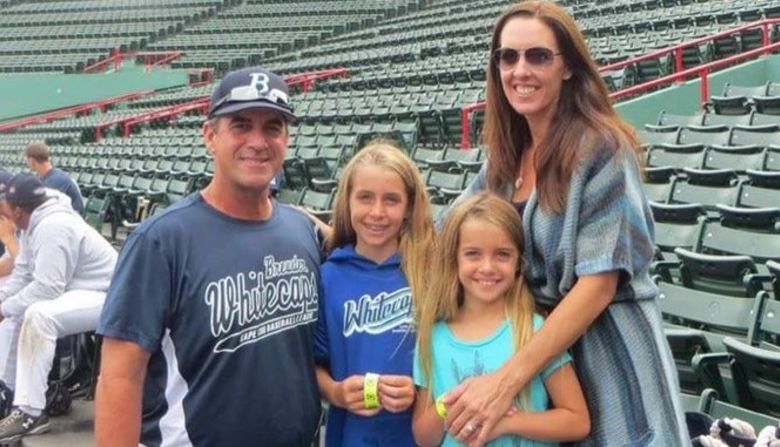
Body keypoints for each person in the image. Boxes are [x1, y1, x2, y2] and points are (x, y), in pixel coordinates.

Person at [439, 2, 689, 446]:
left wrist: (503, 382)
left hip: (613, 361)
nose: (520, 70)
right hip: (549, 372)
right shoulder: (503, 165)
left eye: (538, 56)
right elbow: (442, 234)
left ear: (569, 67)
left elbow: (598, 286)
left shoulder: (602, 149)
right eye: (508, 57)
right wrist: (329, 229)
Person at [95, 67, 323, 447]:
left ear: (287, 139)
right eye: (240, 124)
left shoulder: (301, 231)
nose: (257, 141)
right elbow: (120, 377)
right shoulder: (161, 240)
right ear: (210, 136)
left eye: (272, 127)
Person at [413, 193, 589, 447]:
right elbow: (423, 438)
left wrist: (507, 423)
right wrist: (448, 406)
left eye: (502, 255)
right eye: (473, 254)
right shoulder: (432, 339)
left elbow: (577, 421)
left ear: (519, 262)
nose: (487, 267)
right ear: (454, 260)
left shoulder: (534, 331)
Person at [314, 141, 435, 447]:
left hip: (421, 437)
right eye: (365, 198)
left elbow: (457, 355)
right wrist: (336, 393)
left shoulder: (431, 272)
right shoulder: (329, 277)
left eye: (391, 200)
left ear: (408, 207)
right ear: (348, 202)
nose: (377, 212)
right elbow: (312, 366)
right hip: (352, 436)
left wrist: (421, 391)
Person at [0, 174, 117, 443]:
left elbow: (47, 288)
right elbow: (23, 274)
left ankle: (30, 412)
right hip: (80, 290)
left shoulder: (53, 225)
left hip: (109, 295)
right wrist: (3, 301)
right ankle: (10, 391)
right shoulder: (33, 221)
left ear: (18, 208)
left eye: (5, 204)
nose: (2, 210)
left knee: (38, 314)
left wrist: (4, 308)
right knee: (21, 309)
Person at [24, 141, 84, 215]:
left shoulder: (57, 180)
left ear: (32, 161)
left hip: (70, 220)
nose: (26, 163)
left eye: (27, 159)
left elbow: (43, 209)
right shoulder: (45, 177)